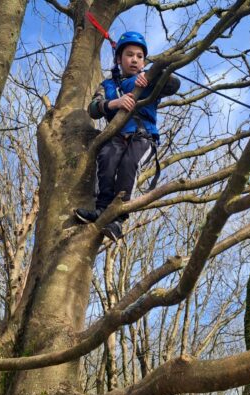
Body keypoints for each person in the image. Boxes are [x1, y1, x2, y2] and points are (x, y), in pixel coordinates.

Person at [74, 31, 180, 241]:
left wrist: (154, 74)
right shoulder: (108, 86)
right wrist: (115, 103)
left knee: (128, 164)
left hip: (143, 136)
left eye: (140, 56)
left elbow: (173, 84)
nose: (135, 60)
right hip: (116, 136)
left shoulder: (148, 80)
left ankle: (117, 217)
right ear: (119, 59)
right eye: (129, 55)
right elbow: (94, 108)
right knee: (107, 159)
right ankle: (101, 208)